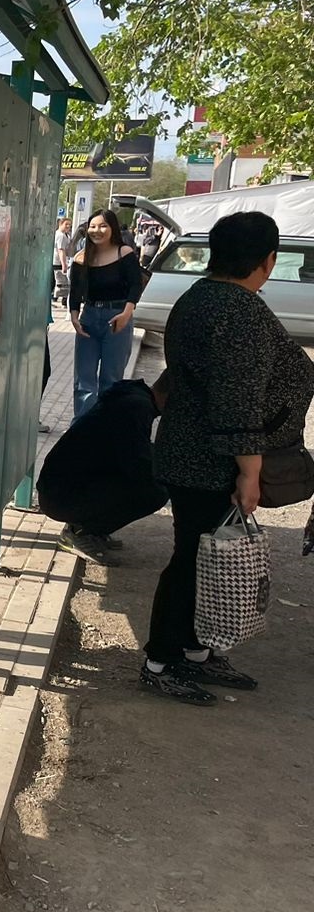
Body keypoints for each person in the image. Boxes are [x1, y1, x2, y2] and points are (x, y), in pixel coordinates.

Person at [144, 211, 314, 704]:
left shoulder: (197, 297)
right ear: (268, 260)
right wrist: (250, 472)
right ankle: (161, 661)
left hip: (189, 448)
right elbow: (238, 399)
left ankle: (195, 651)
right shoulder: (240, 312)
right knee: (193, 560)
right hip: (210, 460)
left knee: (203, 557)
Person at [39, 375, 170, 562]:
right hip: (61, 497)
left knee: (151, 479)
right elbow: (136, 463)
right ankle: (80, 532)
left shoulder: (133, 397)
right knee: (155, 492)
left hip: (60, 487)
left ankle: (91, 530)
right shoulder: (136, 408)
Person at [68, 208, 143, 420]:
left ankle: (105, 428)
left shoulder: (124, 253)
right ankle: (82, 428)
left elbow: (135, 286)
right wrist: (74, 316)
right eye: (92, 226)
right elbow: (75, 291)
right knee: (84, 380)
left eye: (103, 226)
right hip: (89, 318)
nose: (97, 230)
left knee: (111, 380)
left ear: (113, 228)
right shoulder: (82, 258)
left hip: (117, 318)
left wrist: (126, 314)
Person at [52, 217, 72, 307]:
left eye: (69, 225)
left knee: (58, 281)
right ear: (60, 224)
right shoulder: (61, 236)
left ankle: (55, 298)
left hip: (58, 260)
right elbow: (61, 250)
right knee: (62, 281)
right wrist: (64, 264)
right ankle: (62, 300)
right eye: (66, 224)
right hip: (59, 261)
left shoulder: (64, 235)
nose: (68, 226)